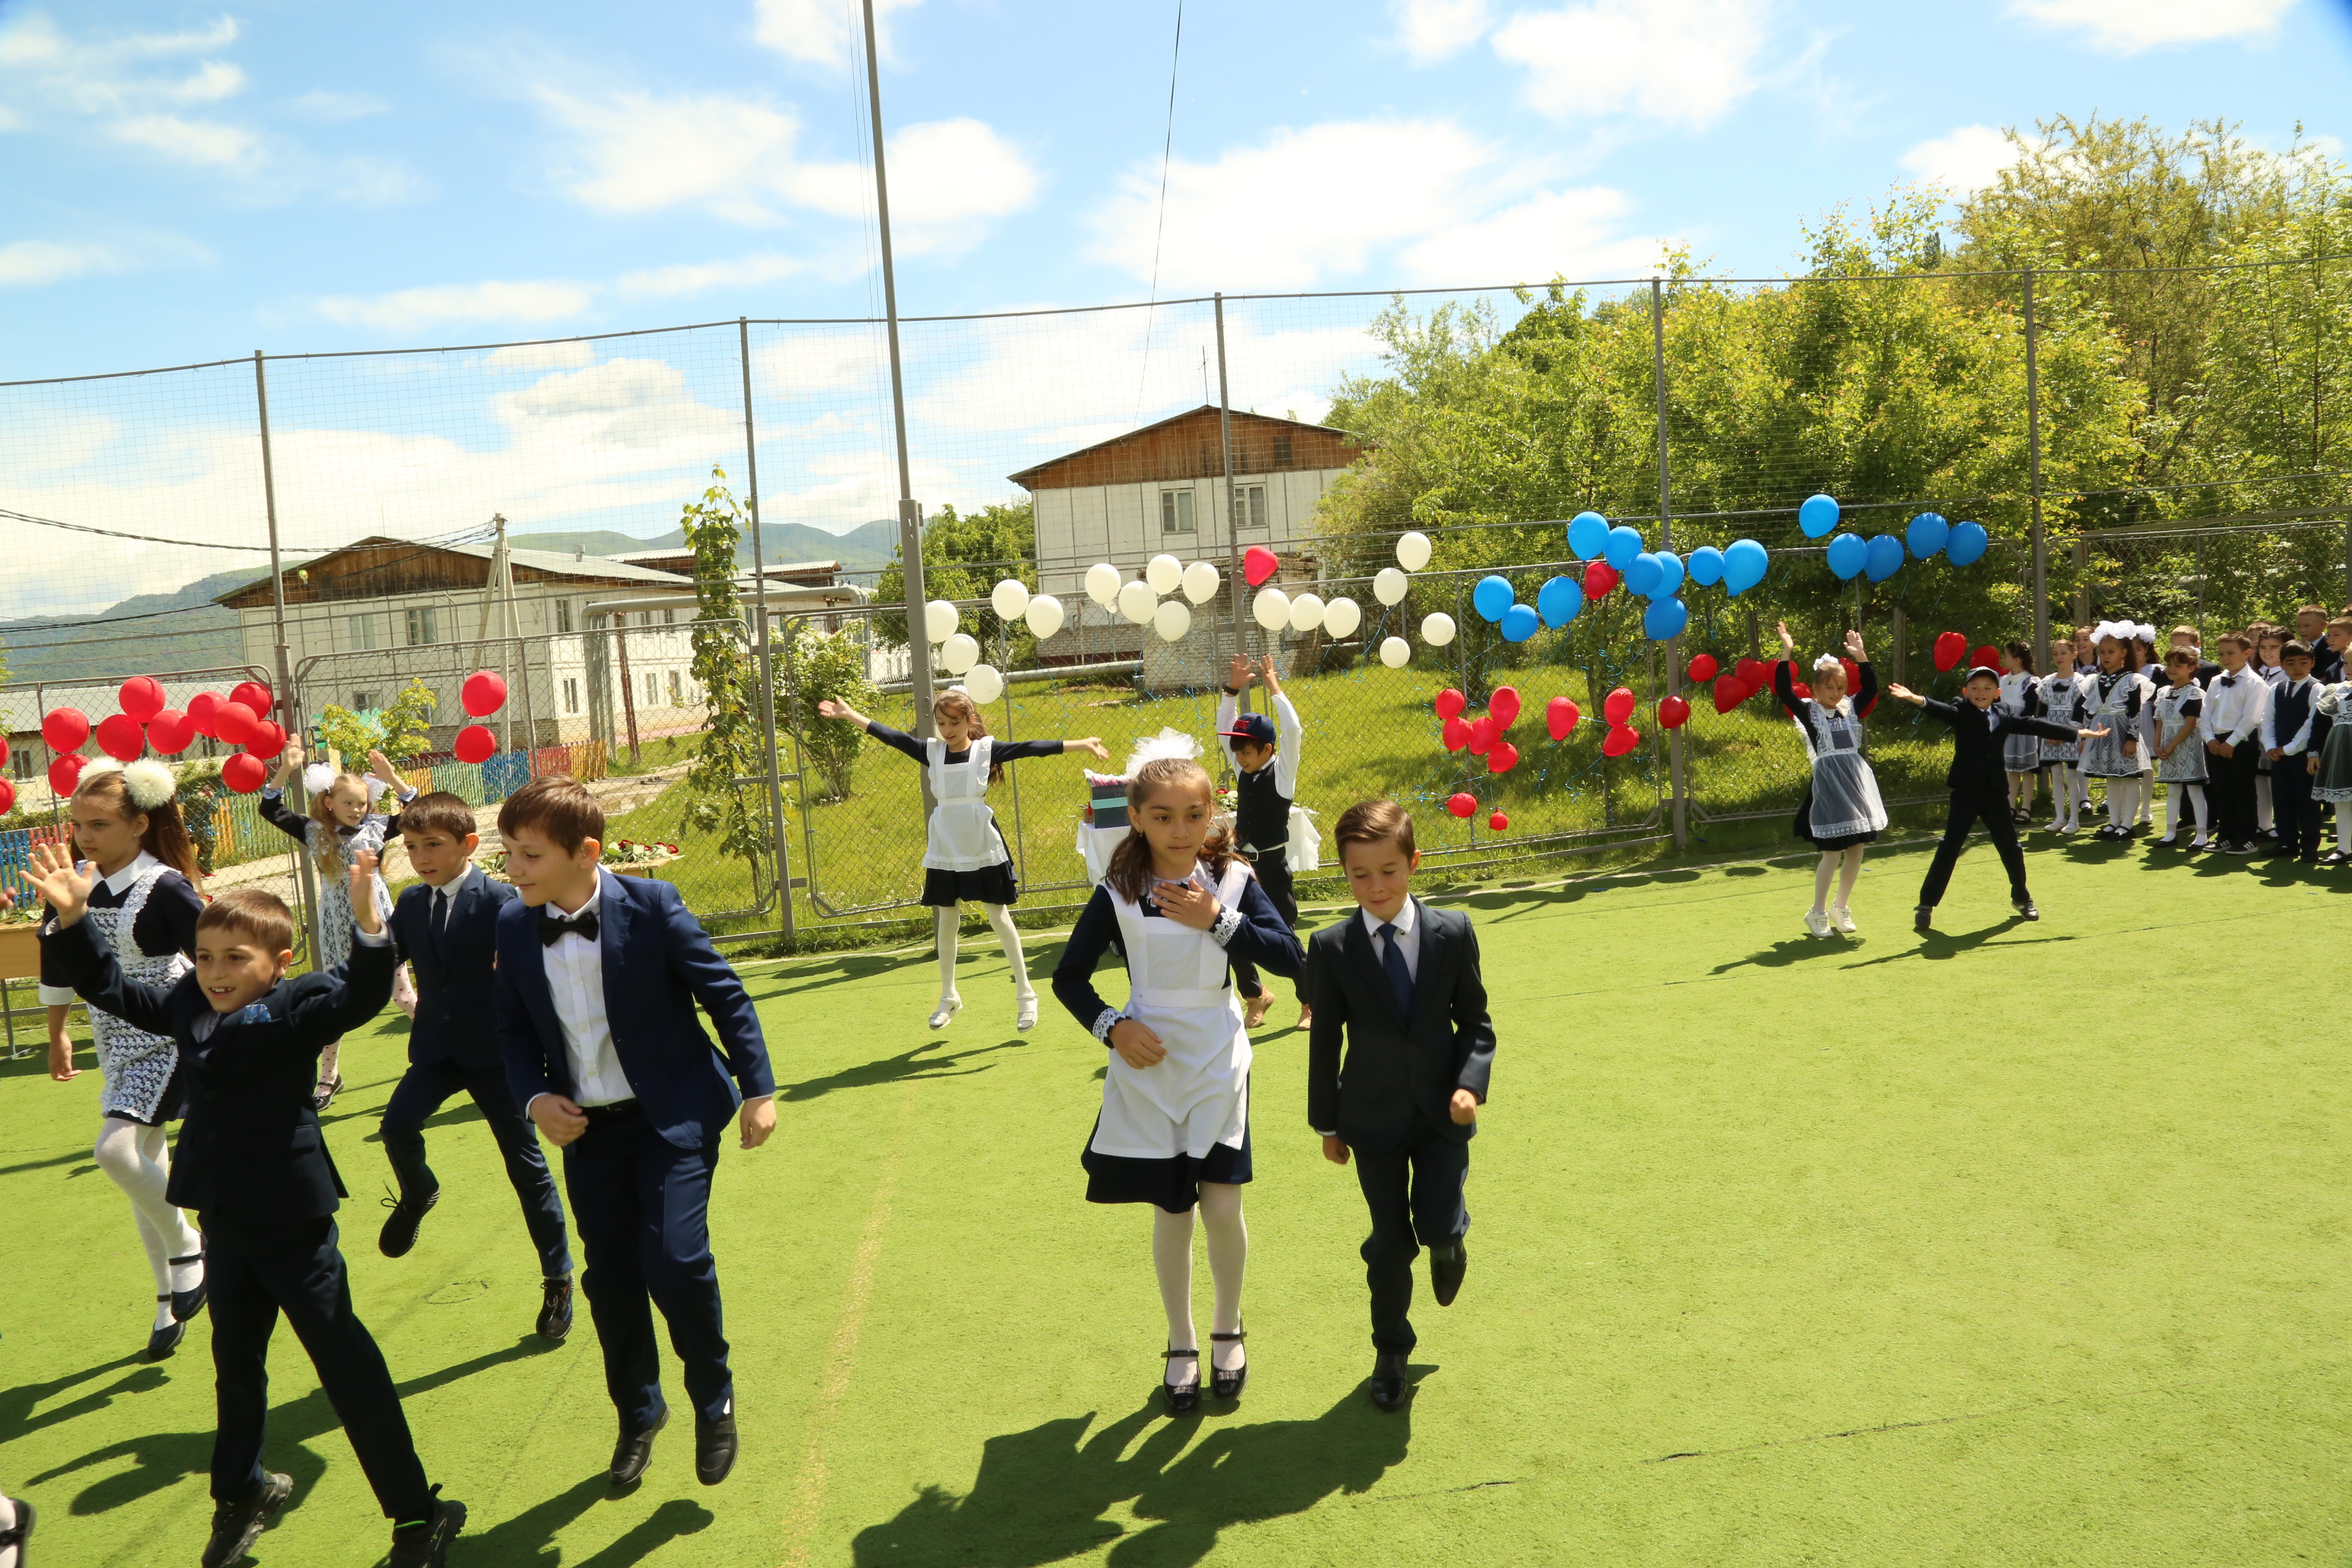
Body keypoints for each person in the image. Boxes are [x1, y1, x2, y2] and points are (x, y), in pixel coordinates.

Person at [26, 843, 467, 1568]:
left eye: (235, 958)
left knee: (345, 1364)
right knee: (235, 1364)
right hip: (224, 1219)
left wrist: (369, 928)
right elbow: (110, 987)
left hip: (292, 1222)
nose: (216, 972)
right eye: (204, 957)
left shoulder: (296, 1006)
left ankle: (418, 1516)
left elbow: (358, 997)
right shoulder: (185, 1003)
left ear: (279, 962)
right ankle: (242, 1492)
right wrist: (73, 920)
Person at [494, 777, 774, 1488]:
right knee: (610, 1278)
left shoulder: (653, 906)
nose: (514, 867)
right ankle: (638, 1412)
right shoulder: (513, 925)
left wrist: (758, 1090)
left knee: (675, 1260)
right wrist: (535, 1098)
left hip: (672, 1116)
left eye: (529, 854)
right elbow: (512, 1029)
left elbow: (724, 995)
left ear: (586, 852)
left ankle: (713, 1397)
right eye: (509, 852)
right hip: (589, 1132)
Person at [1050, 746, 1305, 1414]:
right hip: (1149, 1062)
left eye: (1194, 814)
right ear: (1136, 818)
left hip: (1218, 1057)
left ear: (1212, 811)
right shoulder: (1117, 889)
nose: (1181, 829)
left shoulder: (1232, 880)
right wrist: (1113, 1028)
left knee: (1221, 1206)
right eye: (1162, 816)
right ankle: (1181, 1339)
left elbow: (1291, 957)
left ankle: (1227, 1327)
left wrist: (1217, 920)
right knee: (1173, 1210)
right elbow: (1068, 977)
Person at [1303, 800, 1493, 1412]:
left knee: (1434, 1224)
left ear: (1414, 864)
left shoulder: (1453, 932)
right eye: (1360, 874)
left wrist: (1470, 1085)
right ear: (1344, 873)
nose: (1376, 886)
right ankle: (1391, 1352)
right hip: (1371, 1119)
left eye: (1388, 870)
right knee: (1388, 1243)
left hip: (1442, 1117)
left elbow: (1476, 1023)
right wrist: (1327, 1122)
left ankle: (1450, 1239)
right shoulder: (1331, 947)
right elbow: (1326, 1041)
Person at [378, 792, 574, 1341]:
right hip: (437, 1052)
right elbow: (382, 960)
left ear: (468, 844)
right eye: (411, 847)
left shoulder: (503, 902)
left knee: (527, 1170)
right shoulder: (411, 903)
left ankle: (558, 1278)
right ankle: (419, 1193)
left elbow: (539, 968)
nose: (421, 858)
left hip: (497, 1058)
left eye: (433, 845)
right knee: (396, 1126)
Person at [34, 760, 209, 1360]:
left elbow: (214, 954)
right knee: (143, 1170)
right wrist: (58, 1033)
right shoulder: (75, 880)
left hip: (168, 1033)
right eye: (78, 824)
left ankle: (190, 1245)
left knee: (114, 1151)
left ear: (139, 824)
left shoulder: (166, 887)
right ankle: (167, 1298)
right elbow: (58, 957)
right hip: (113, 1039)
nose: (85, 836)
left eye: (100, 824)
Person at [816, 690, 1107, 1031]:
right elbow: (892, 737)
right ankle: (949, 996)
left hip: (981, 841)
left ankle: (1026, 994)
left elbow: (1032, 747)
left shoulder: (986, 751)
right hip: (946, 845)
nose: (947, 730)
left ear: (970, 720)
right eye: (941, 723)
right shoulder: (932, 751)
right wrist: (850, 714)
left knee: (998, 916)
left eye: (954, 722)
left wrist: (1082, 743)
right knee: (947, 920)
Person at [1887, 666, 2106, 931]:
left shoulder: (2003, 713)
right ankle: (1926, 905)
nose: (1981, 692)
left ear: (1997, 693)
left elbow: (2033, 725)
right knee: (1950, 847)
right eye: (1975, 688)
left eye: (1987, 688)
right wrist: (1916, 699)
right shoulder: (1960, 710)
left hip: (1995, 793)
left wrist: (2077, 733)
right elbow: (1940, 710)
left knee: (2011, 847)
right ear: (1965, 692)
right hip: (1966, 791)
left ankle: (2022, 898)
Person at [260, 745, 417, 1110]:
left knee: (403, 996)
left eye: (362, 803)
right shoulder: (314, 831)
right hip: (335, 926)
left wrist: (392, 778)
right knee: (334, 1001)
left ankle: (449, 1048)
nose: (357, 809)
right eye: (348, 803)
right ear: (329, 803)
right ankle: (329, 1078)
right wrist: (286, 769)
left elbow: (419, 810)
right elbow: (270, 808)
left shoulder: (377, 828)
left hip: (376, 920)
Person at [1217, 654, 1314, 1030]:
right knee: (1228, 930)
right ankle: (1256, 995)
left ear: (1267, 750)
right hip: (1240, 867)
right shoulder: (1244, 768)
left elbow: (1293, 731)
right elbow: (1223, 729)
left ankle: (1310, 1002)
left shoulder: (1282, 774)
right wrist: (1231, 690)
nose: (1240, 757)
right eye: (1238, 750)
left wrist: (1273, 687)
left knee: (1285, 937)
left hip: (1272, 869)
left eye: (1247, 750)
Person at [1771, 623, 1883, 936]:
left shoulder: (1850, 709)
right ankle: (1817, 912)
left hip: (1855, 786)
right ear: (1816, 689)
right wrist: (1786, 652)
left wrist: (1862, 657)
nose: (1836, 694)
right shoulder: (1810, 713)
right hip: (1828, 789)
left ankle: (1840, 907)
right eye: (1830, 688)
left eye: (1841, 688)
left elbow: (1871, 689)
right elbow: (1784, 691)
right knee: (1832, 853)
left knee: (1856, 851)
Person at [2199, 633, 2269, 854]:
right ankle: (2225, 836)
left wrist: (2232, 742)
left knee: (2243, 791)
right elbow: (2205, 713)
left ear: (2247, 653)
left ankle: (2247, 838)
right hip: (2216, 742)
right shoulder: (2216, 681)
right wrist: (2210, 739)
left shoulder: (2254, 683)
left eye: (2231, 653)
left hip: (2242, 741)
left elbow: (2252, 718)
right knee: (2222, 791)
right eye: (2221, 654)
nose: (2225, 658)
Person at [2078, 626, 2146, 838]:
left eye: (2111, 652)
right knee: (2111, 777)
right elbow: (2090, 710)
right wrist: (2085, 736)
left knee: (2129, 777)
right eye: (2102, 652)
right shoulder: (2095, 680)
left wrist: (2132, 739)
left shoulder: (2131, 680)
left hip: (2123, 732)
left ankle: (2128, 824)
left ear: (2123, 653)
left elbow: (2135, 712)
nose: (2106, 656)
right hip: (2103, 733)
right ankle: (2114, 821)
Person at [2264, 640, 2325, 862]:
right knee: (2282, 800)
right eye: (2291, 663)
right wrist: (2270, 746)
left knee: (2307, 801)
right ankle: (2287, 841)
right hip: (2278, 755)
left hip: (2305, 756)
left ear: (2312, 663)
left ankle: (2309, 846)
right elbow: (2267, 720)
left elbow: (2312, 724)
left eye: (2303, 662)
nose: (2297, 667)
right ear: (2282, 664)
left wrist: (2287, 749)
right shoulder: (2276, 689)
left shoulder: (2317, 689)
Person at [2149, 651, 2211, 848]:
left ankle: (2202, 834)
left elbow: (2190, 724)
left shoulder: (2194, 693)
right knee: (2173, 790)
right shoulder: (2163, 692)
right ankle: (2170, 833)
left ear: (2191, 669)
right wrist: (2157, 745)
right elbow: (2159, 721)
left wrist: (2170, 746)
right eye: (2169, 665)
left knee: (2194, 790)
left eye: (2178, 666)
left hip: (2188, 747)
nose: (2172, 669)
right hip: (2167, 748)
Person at [2039, 638, 2089, 834]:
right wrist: (2047, 731)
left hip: (2071, 732)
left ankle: (2074, 820)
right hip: (2051, 733)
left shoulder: (2081, 682)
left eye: (2063, 653)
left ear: (2074, 654)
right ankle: (2059, 817)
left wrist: (2066, 733)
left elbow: (2080, 711)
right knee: (2056, 775)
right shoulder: (2046, 682)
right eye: (2055, 654)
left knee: (2071, 775)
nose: (2059, 657)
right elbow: (2043, 710)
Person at [1998, 642, 2043, 823]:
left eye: (2006, 656)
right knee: (2011, 769)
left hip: (2023, 728)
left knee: (2027, 769)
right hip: (2006, 727)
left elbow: (2030, 709)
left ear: (2016, 660)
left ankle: (2026, 807)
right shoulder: (2003, 680)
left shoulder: (2030, 681)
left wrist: (2014, 724)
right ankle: (2010, 806)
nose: (2003, 659)